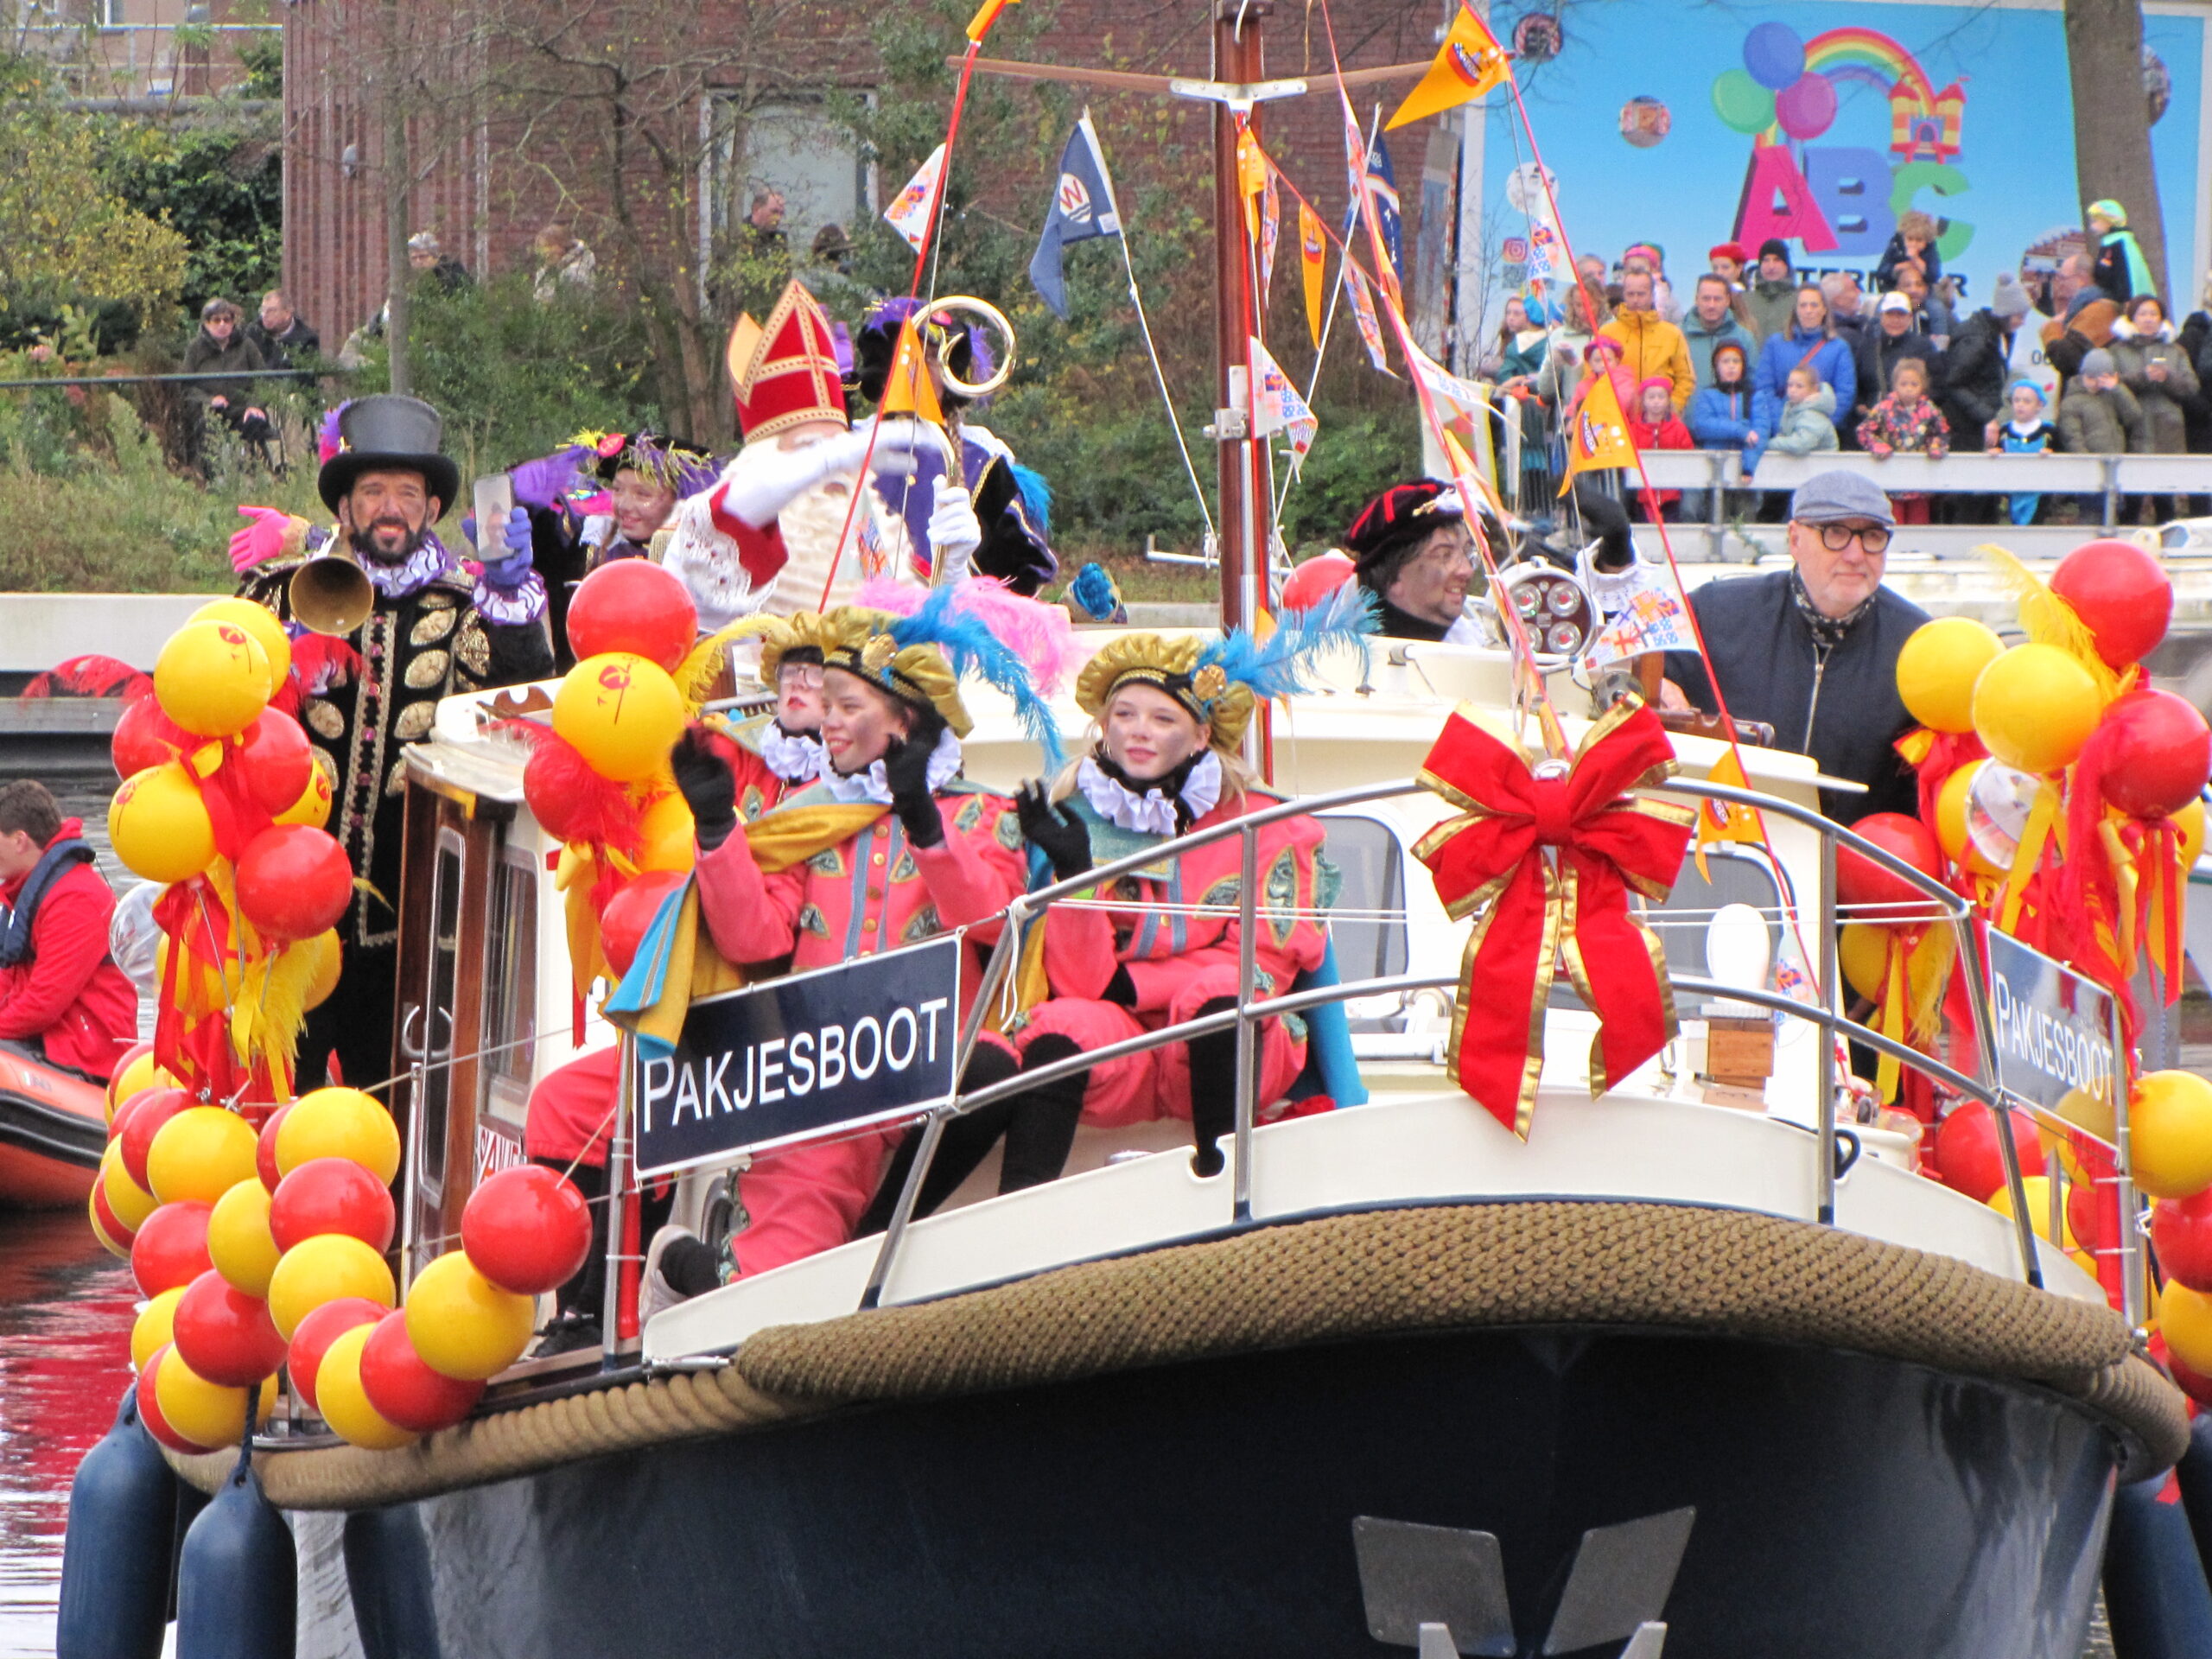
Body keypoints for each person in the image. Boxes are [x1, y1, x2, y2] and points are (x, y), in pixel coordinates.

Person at [863, 616, 1360, 1220]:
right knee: (1059, 1025)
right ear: (1102, 725)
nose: (1138, 733)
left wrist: (1137, 984)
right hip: (1119, 1045)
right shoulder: (1072, 813)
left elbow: (1269, 960)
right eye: (1123, 714)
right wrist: (1074, 877)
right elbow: (1064, 973)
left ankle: (1230, 1198)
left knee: (1218, 994)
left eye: (1161, 718)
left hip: (1233, 1039)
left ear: (1203, 734)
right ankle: (1015, 1228)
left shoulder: (1267, 824)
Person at [639, 593, 1046, 1308]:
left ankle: (877, 1240)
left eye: (847, 704)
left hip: (932, 1051)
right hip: (825, 1065)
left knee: (989, 1068)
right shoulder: (807, 816)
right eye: (824, 702)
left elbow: (993, 922)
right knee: (767, 1290)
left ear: (905, 719)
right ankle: (684, 1266)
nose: (826, 720)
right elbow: (754, 937)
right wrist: (716, 832)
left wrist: (924, 823)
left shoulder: (983, 813)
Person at [235, 395, 554, 1089]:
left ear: (432, 510)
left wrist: (513, 599)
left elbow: (523, 703)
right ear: (343, 510)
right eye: (373, 491)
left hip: (414, 926)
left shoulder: (466, 605)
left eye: (408, 494)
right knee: (279, 1093)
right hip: (288, 918)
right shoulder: (281, 598)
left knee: (399, 1101)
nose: (390, 508)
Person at [1662, 470, 1927, 821]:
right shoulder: (1715, 612)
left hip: (1851, 861)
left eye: (1873, 536)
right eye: (1836, 533)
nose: (1855, 553)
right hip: (1724, 852)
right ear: (1794, 539)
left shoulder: (1921, 649)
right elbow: (1619, 664)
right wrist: (1657, 686)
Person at [674, 280, 929, 623]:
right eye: (808, 448)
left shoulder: (871, 531)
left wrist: (954, 568)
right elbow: (733, 513)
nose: (833, 466)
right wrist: (820, 462)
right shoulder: (712, 543)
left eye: (839, 446)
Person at [852, 297, 1056, 594]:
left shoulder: (982, 459)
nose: (919, 371)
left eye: (932, 358)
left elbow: (1021, 574)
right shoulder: (847, 446)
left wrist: (960, 575)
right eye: (907, 356)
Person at [516, 431, 718, 665]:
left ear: (676, 501)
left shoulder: (701, 556)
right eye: (618, 490)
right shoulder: (584, 543)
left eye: (643, 494)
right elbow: (540, 540)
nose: (624, 505)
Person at [0, 782, 135, 1081]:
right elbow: (7, 979)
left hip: (84, 1058)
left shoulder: (76, 899)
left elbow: (44, 1002)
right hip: (39, 1045)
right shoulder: (19, 893)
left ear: (20, 840)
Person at [1347, 480, 1479, 640]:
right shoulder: (1348, 656)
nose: (1466, 570)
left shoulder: (1470, 642)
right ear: (1394, 579)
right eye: (1445, 555)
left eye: (1466, 552)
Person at [2110, 292, 2198, 521]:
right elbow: (2113, 384)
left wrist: (2167, 377)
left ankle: (2167, 551)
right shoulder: (2118, 350)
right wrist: (2143, 377)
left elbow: (2191, 387)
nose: (2148, 319)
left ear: (2161, 318)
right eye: (2143, 314)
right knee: (2131, 500)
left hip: (2168, 433)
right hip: (2133, 430)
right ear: (2132, 318)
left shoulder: (2175, 352)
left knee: (2165, 501)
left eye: (2153, 314)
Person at [1940, 271, 2032, 454]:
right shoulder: (1977, 340)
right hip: (1964, 427)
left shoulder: (1997, 335)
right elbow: (1954, 383)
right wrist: (1986, 417)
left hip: (1976, 423)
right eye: (2020, 317)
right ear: (2006, 313)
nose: (2023, 323)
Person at [180, 299, 272, 469]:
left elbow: (263, 380)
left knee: (257, 424)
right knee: (206, 430)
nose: (222, 324)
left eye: (227, 320)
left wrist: (254, 405)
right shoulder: (195, 348)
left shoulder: (247, 345)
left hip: (242, 410)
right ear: (206, 323)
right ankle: (213, 479)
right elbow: (186, 386)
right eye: (216, 320)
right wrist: (209, 400)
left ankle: (258, 474)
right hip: (208, 412)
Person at [1753, 284, 1854, 440]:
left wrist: (1818, 428)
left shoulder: (1839, 348)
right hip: (1779, 433)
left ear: (1824, 310)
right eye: (1803, 305)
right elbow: (1764, 388)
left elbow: (1844, 394)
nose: (1808, 310)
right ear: (1796, 310)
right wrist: (1781, 424)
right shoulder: (1775, 344)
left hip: (1819, 437)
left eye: (1814, 305)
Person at [1856, 358, 1948, 524]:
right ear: (1895, 385)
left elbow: (1942, 432)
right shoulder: (1884, 408)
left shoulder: (1930, 410)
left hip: (1920, 481)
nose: (1908, 389)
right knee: (1894, 523)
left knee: (1919, 524)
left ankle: (1917, 550)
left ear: (1923, 386)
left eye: (1914, 384)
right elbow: (1864, 431)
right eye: (1903, 384)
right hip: (1892, 480)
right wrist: (1878, 446)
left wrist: (1935, 447)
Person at [1685, 340, 1761, 521]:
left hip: (1746, 469)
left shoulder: (1754, 396)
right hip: (1715, 468)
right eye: (1725, 362)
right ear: (1716, 367)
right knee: (1716, 518)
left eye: (1736, 362)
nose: (1731, 367)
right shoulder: (1707, 395)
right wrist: (1740, 430)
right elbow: (1703, 425)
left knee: (1746, 521)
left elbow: (1761, 429)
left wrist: (1748, 467)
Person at [1597, 270, 1693, 409]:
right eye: (1630, 294)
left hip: (1658, 419)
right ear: (1624, 295)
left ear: (1652, 295)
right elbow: (1593, 375)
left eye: (1641, 294)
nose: (1635, 300)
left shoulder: (1672, 334)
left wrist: (1672, 408)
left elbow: (1686, 378)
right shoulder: (1607, 332)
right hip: (1618, 418)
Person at [1853, 293, 1941, 434]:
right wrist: (1859, 405)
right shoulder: (1867, 346)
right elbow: (1856, 382)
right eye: (1890, 314)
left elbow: (1936, 386)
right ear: (1881, 317)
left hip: (1912, 426)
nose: (1895, 320)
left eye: (1900, 315)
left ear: (1910, 318)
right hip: (1873, 423)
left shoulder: (1924, 347)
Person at [1986, 378, 2056, 527]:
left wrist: (2051, 454)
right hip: (2012, 488)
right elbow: (1997, 452)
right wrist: (1994, 453)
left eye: (2027, 401)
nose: (2020, 405)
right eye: (2016, 400)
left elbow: (2061, 456)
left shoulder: (2048, 431)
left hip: (2038, 490)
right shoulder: (2005, 431)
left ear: (2039, 405)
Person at [1625, 377, 1693, 522]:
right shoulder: (1634, 430)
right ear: (1643, 400)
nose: (1656, 401)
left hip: (1671, 494)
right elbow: (1627, 457)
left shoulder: (1678, 429)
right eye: (1651, 397)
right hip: (1642, 494)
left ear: (1668, 400)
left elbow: (1688, 455)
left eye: (1661, 397)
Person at [2058, 347, 2147, 456]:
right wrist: (2085, 459)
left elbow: (2134, 416)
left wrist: (2117, 389)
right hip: (2090, 461)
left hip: (2115, 457)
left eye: (2102, 378)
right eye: (2090, 377)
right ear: (2082, 375)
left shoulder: (2112, 395)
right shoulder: (2071, 402)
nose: (2095, 382)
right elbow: (2072, 437)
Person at [1683, 274, 1757, 390]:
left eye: (1717, 299)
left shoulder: (1744, 338)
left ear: (1728, 300)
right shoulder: (1678, 335)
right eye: (1706, 299)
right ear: (1696, 299)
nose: (1711, 305)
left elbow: (1753, 382)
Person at [2087, 200, 2154, 307]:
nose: (2092, 227)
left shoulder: (2121, 242)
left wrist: (2127, 300)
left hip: (2119, 300)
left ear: (2109, 220)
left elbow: (2126, 273)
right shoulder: (2108, 242)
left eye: (2095, 221)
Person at [1765, 365, 1839, 457]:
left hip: (1822, 465)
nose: (1792, 390)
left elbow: (1800, 444)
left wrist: (1769, 444)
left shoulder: (1813, 414)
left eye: (1799, 386)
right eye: (1790, 385)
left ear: (1814, 389)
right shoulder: (1792, 409)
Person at [245, 289, 320, 372]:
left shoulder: (307, 340)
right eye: (263, 310)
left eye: (271, 311)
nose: (265, 315)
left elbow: (304, 378)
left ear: (287, 313)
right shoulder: (253, 332)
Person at [1873, 208, 1943, 294]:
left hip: (1921, 297)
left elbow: (1934, 276)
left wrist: (1916, 259)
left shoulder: (1930, 250)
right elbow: (1882, 272)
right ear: (1903, 237)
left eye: (1919, 240)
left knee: (1935, 306)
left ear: (1927, 240)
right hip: (1895, 292)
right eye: (1910, 239)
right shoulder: (1896, 245)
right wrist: (1902, 266)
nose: (1914, 244)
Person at [1743, 238, 1798, 344]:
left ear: (1786, 265)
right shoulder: (1745, 301)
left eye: (1777, 260)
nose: (1771, 266)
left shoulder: (1799, 300)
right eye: (1766, 260)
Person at [531, 223, 597, 302]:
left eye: (549, 246)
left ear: (562, 245)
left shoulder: (576, 271)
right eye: (542, 248)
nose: (545, 252)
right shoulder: (545, 271)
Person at [407, 231, 471, 292]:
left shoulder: (452, 272)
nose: (418, 261)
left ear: (434, 256)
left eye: (423, 256)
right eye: (414, 258)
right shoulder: (409, 278)